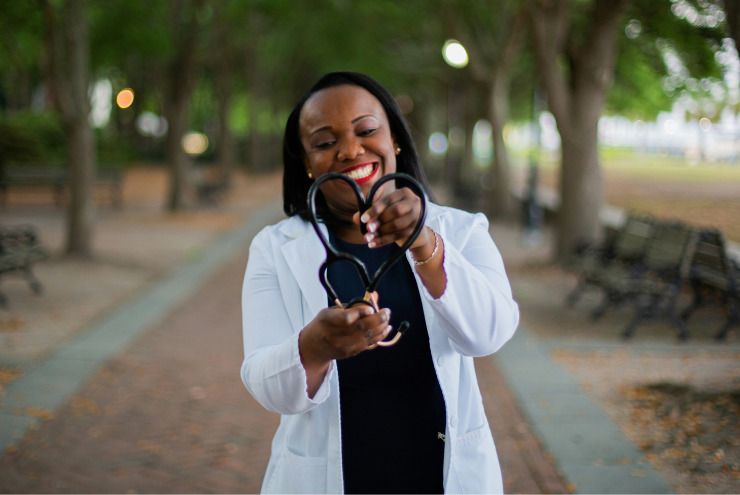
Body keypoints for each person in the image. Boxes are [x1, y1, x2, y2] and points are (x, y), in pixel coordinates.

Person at [241, 71, 519, 494]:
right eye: (324, 142)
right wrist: (314, 347)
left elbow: (489, 334)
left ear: (396, 140)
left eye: (366, 130)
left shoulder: (461, 231)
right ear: (307, 163)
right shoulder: (274, 248)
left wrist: (424, 242)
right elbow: (268, 387)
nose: (350, 150)